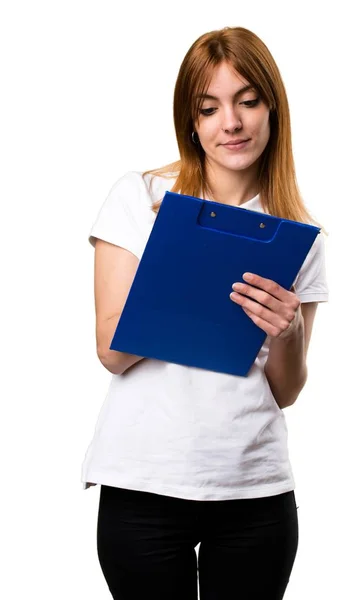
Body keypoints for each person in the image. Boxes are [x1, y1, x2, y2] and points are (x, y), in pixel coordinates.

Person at [82, 26, 329, 600]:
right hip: (143, 478)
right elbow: (111, 352)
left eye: (248, 102)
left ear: (273, 109)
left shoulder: (298, 236)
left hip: (254, 487)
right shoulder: (139, 198)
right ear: (191, 120)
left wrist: (288, 332)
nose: (232, 123)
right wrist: (185, 277)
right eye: (210, 107)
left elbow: (286, 389)